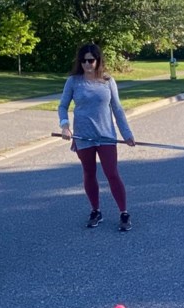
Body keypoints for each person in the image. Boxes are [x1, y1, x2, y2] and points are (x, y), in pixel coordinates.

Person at [58, 43, 136, 231]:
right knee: (89, 173)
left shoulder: (108, 81)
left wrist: (127, 134)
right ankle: (95, 210)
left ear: (98, 60)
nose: (87, 64)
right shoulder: (73, 81)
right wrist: (65, 126)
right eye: (83, 60)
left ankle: (124, 213)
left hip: (106, 136)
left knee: (112, 173)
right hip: (83, 136)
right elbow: (62, 106)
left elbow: (117, 109)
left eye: (90, 60)